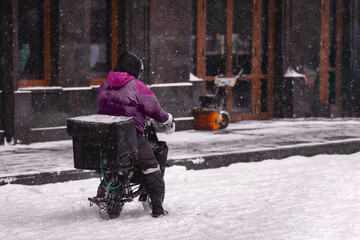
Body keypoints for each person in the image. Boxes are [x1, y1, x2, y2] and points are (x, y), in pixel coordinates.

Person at [97, 52, 174, 218]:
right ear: (135, 69)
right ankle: (157, 208)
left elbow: (102, 105)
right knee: (152, 167)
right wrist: (168, 119)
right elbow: (155, 110)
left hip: (108, 136)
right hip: (131, 136)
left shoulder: (104, 84)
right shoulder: (137, 86)